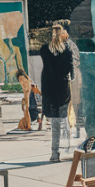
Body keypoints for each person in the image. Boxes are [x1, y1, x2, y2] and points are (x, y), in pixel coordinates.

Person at [40, 22, 74, 162]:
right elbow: (72, 72)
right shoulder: (67, 50)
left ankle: (55, 153)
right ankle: (68, 148)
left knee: (54, 125)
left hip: (49, 89)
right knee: (64, 120)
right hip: (62, 89)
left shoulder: (43, 50)